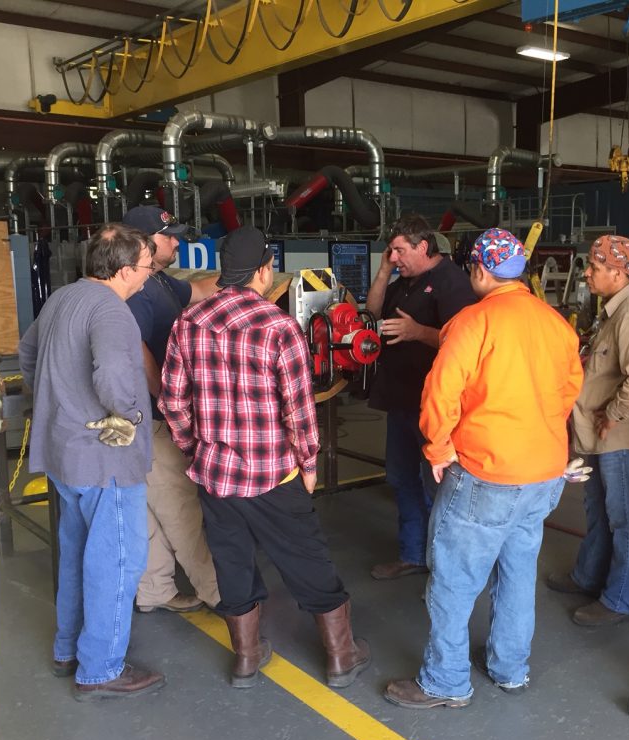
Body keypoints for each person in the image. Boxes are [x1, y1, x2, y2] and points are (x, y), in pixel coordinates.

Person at [159, 226, 370, 690]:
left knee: (231, 563)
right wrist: (309, 465)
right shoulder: (279, 328)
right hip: (274, 475)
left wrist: (198, 449)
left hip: (216, 477)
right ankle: (340, 657)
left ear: (222, 271)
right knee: (307, 559)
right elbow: (299, 410)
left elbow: (172, 402)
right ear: (263, 270)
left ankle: (247, 660)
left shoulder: (188, 322)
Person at [384, 228, 583, 709]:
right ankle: (509, 668)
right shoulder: (557, 324)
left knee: (454, 579)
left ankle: (446, 681)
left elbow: (440, 394)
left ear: (478, 269)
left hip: (486, 473)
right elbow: (567, 393)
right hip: (544, 473)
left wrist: (437, 450)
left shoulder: (474, 322)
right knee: (517, 571)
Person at [19, 224, 164, 701]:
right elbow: (116, 374)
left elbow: (28, 353)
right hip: (105, 459)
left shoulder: (62, 298)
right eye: (148, 266)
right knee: (117, 561)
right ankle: (99, 669)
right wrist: (133, 414)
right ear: (124, 271)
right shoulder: (112, 311)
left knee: (78, 553)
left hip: (64, 451)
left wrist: (54, 402)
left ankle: (68, 649)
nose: (150, 274)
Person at [546, 235, 629, 627]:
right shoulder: (614, 310)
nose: (588, 273)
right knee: (598, 512)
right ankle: (588, 577)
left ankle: (620, 600)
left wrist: (613, 413)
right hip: (600, 436)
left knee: (625, 519)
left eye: (594, 267)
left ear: (617, 272)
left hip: (622, 439)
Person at [121, 205, 220, 614]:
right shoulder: (136, 291)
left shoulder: (157, 280)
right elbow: (133, 344)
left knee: (145, 508)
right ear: (143, 243)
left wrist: (242, 276)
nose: (177, 242)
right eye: (169, 237)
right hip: (149, 417)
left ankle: (155, 589)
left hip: (139, 418)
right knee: (181, 506)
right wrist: (165, 397)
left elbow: (200, 290)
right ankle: (222, 595)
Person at [366, 215, 476, 581]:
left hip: (434, 406)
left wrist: (418, 332)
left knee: (437, 486)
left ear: (423, 247)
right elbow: (373, 311)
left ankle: (443, 567)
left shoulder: (452, 283)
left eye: (399, 250)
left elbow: (464, 344)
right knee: (401, 479)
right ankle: (413, 554)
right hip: (400, 399)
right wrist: (383, 272)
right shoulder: (404, 281)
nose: (394, 256)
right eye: (391, 250)